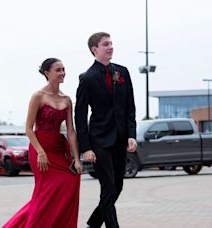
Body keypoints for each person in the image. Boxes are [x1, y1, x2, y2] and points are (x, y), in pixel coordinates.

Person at [3, 58, 83, 228]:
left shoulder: (67, 99)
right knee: (45, 194)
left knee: (70, 181)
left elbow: (70, 131)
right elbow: (28, 128)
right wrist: (40, 152)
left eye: (63, 69)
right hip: (41, 149)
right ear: (47, 73)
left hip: (59, 149)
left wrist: (77, 158)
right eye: (58, 70)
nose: (63, 73)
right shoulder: (38, 96)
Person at [75, 32, 137, 228]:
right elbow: (80, 115)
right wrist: (85, 148)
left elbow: (130, 107)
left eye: (111, 43)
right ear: (95, 49)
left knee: (117, 186)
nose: (110, 47)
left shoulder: (122, 72)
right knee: (108, 186)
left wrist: (131, 134)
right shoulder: (87, 78)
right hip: (99, 140)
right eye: (105, 44)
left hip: (120, 139)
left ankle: (93, 223)